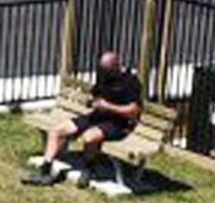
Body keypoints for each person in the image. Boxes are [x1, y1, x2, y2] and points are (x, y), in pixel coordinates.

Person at [25, 51, 144, 186]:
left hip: (119, 123)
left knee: (89, 137)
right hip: (98, 116)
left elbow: (134, 111)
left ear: (117, 65)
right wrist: (92, 102)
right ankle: (45, 172)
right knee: (56, 131)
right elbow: (96, 94)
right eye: (103, 70)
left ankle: (89, 169)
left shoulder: (131, 82)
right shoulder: (104, 75)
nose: (105, 74)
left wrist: (108, 106)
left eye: (108, 70)